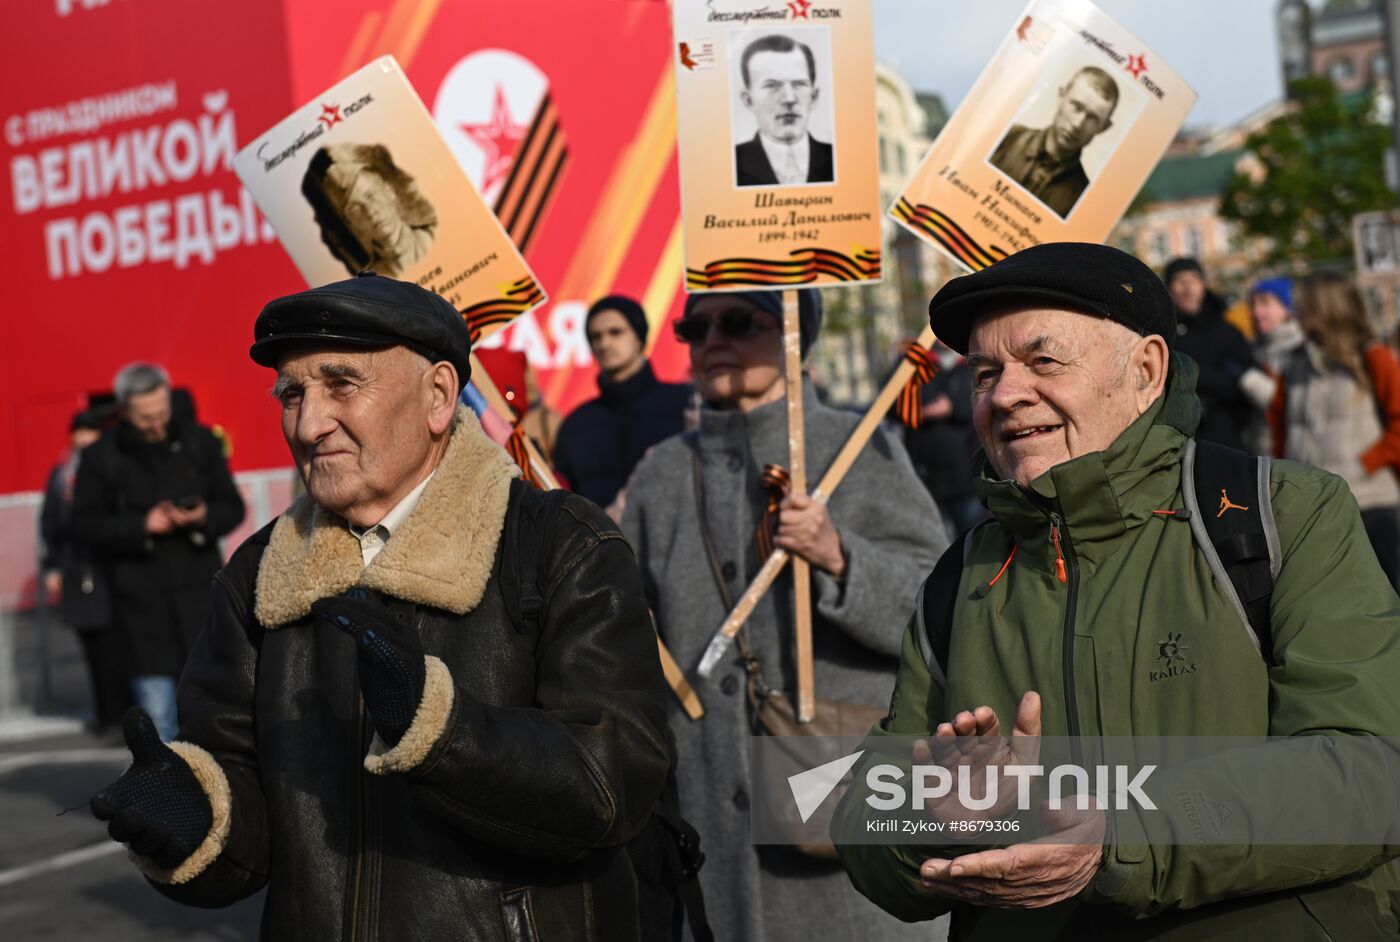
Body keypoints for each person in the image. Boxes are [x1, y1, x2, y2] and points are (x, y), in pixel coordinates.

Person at [834, 242, 1400, 939]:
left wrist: (1117, 837)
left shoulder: (1281, 515)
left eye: (1044, 361)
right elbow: (865, 822)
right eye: (985, 372)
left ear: (1146, 371)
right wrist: (936, 820)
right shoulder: (960, 580)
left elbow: (1369, 771)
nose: (1005, 395)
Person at [86, 273, 673, 940]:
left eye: (341, 384)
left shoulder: (560, 544)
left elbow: (613, 784)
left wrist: (443, 734)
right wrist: (195, 818)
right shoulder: (258, 574)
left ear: (439, 396)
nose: (308, 423)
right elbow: (248, 829)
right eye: (292, 394)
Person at [621, 288, 949, 942]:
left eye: (739, 321)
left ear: (796, 335)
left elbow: (938, 611)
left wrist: (839, 556)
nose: (712, 339)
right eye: (695, 325)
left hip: (844, 831)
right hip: (712, 843)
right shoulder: (660, 473)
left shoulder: (861, 446)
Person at [73, 364, 244, 742]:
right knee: (160, 724)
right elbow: (84, 524)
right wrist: (140, 526)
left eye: (162, 412)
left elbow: (232, 507)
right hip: (140, 613)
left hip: (201, 600)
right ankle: (170, 797)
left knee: (216, 718)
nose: (157, 424)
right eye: (146, 417)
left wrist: (201, 516)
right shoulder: (102, 456)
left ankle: (221, 798)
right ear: (125, 411)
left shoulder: (199, 441)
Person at [1269, 271, 1400, 588]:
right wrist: (1284, 475)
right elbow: (1279, 424)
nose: (1295, 313)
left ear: (1327, 307)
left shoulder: (1372, 357)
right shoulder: (1294, 362)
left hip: (1371, 503)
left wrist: (1363, 465)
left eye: (1303, 306)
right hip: (1309, 507)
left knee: (1387, 597)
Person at [553, 295, 692, 509]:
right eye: (595, 336)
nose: (604, 343)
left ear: (638, 337)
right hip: (601, 540)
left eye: (615, 332)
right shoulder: (575, 425)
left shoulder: (686, 405)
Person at [40, 409, 131, 734]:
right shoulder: (61, 475)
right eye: (79, 431)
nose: (84, 438)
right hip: (77, 570)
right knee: (92, 647)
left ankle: (126, 714)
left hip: (110, 568)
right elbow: (50, 522)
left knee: (118, 646)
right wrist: (51, 565)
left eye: (90, 431)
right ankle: (105, 714)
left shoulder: (113, 466)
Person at [989, 66, 1119, 218]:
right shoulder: (1005, 138)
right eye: (1076, 106)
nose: (1077, 124)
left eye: (1092, 118)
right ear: (1060, 96)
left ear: (1104, 127)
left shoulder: (1083, 200)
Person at [1163, 257, 1257, 452]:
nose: (1187, 286)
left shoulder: (1228, 332)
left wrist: (1196, 377)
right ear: (1169, 287)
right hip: (1176, 440)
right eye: (1180, 280)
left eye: (1194, 279)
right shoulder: (1164, 334)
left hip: (1225, 437)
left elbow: (1243, 385)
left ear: (1204, 284)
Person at [302, 143, 437, 277]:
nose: (370, 212)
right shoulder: (371, 280)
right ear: (350, 223)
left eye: (371, 196)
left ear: (389, 191)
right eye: (355, 209)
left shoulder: (435, 237)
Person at [901, 341, 985, 536]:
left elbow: (982, 404)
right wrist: (917, 412)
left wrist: (952, 409)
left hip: (965, 476)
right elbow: (894, 403)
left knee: (972, 541)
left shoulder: (970, 363)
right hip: (926, 478)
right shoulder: (916, 364)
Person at [734, 34, 835, 187]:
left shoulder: (838, 158)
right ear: (748, 100)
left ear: (814, 96)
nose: (789, 98)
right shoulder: (729, 164)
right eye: (772, 85)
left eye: (799, 84)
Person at [1239, 277, 1305, 454]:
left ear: (1287, 308)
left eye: (1265, 303)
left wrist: (1248, 378)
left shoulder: (1300, 348)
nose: (1256, 311)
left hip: (1291, 457)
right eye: (1253, 305)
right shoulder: (1254, 349)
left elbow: (1291, 404)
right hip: (1262, 454)